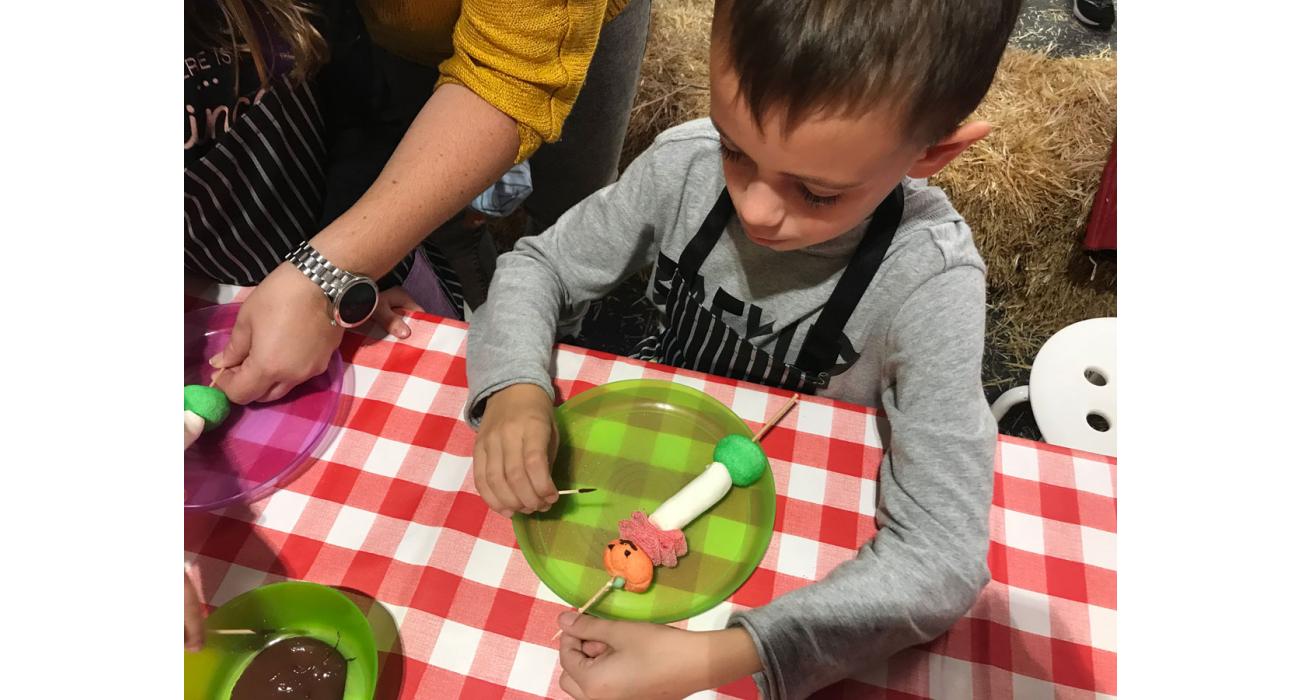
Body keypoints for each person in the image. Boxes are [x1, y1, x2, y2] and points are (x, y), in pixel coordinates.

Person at [463, 0, 1020, 696]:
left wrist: (713, 659)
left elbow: (941, 558)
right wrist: (514, 386)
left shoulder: (928, 278)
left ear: (931, 154)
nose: (755, 208)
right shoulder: (685, 168)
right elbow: (535, 266)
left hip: (792, 537)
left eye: (816, 191)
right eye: (736, 148)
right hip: (648, 458)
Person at [187, 0, 652, 405]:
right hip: (385, 45)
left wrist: (331, 269)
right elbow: (347, 82)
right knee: (450, 222)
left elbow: (513, 72)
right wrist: (363, 253)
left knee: (570, 211)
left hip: (544, 33)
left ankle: (562, 336)